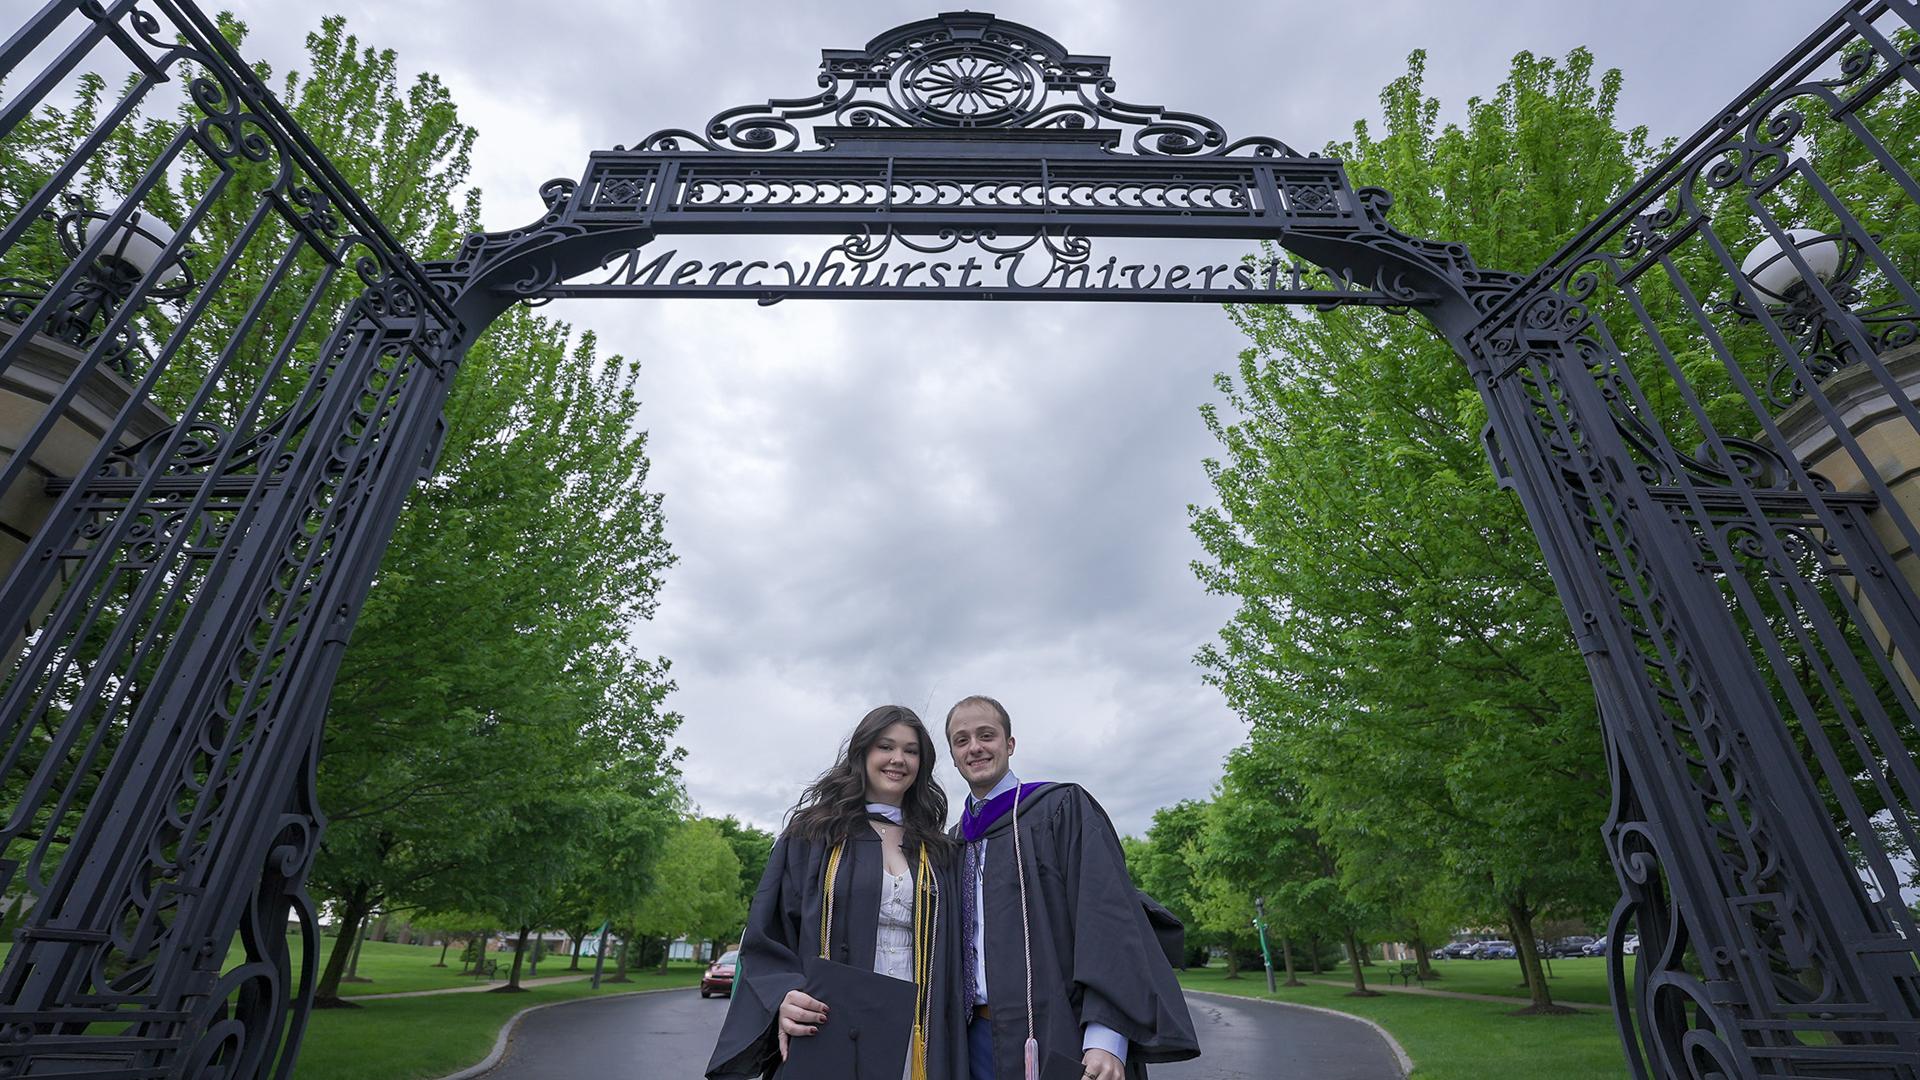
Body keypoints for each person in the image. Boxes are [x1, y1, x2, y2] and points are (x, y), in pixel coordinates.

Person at [707, 705, 968, 1080]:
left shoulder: (937, 850)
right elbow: (769, 933)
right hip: (830, 1019)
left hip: (920, 1025)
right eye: (886, 746)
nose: (898, 759)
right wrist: (784, 994)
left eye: (911, 751)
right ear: (862, 753)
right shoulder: (814, 835)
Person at [946, 695, 1199, 1080]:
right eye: (961, 740)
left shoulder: (1061, 809)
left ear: (1010, 744)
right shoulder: (955, 843)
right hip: (972, 1043)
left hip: (1061, 1035)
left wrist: (1106, 1037)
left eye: (986, 735)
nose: (975, 747)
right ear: (952, 754)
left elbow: (1107, 919)